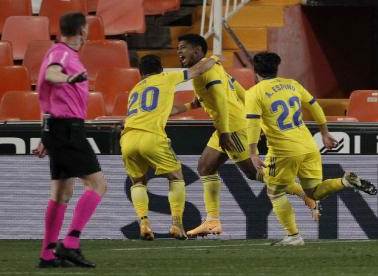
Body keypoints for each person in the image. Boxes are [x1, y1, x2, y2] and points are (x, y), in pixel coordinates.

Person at [173, 34, 315, 237]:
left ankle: (304, 193)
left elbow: (221, 101)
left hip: (232, 127)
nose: (179, 52)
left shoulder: (205, 72)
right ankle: (212, 221)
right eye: (178, 48)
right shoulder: (212, 67)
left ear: (197, 51)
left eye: (183, 47)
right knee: (206, 167)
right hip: (227, 125)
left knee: (254, 174)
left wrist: (226, 131)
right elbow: (237, 90)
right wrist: (185, 107)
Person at [246, 52, 378, 246]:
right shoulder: (292, 84)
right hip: (308, 145)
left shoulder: (254, 93)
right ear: (276, 68)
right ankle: (345, 182)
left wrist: (252, 153)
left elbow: (253, 124)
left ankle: (293, 237)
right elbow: (314, 106)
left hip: (284, 150)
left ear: (255, 71)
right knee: (314, 192)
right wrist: (324, 133)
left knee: (274, 192)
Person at [33, 12, 107, 268]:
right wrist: (69, 77)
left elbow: (47, 95)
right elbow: (53, 74)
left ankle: (47, 254)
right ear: (83, 31)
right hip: (67, 129)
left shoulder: (60, 51)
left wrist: (45, 134)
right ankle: (70, 243)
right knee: (97, 185)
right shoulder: (63, 53)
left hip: (57, 127)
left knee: (61, 193)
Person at [120, 54, 219, 241]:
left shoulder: (135, 90)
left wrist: (191, 105)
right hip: (151, 136)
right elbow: (197, 70)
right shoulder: (165, 78)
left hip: (128, 138)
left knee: (138, 182)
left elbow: (168, 110)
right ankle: (177, 223)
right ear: (161, 70)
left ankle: (143, 222)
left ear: (141, 73)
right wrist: (214, 57)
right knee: (176, 177)